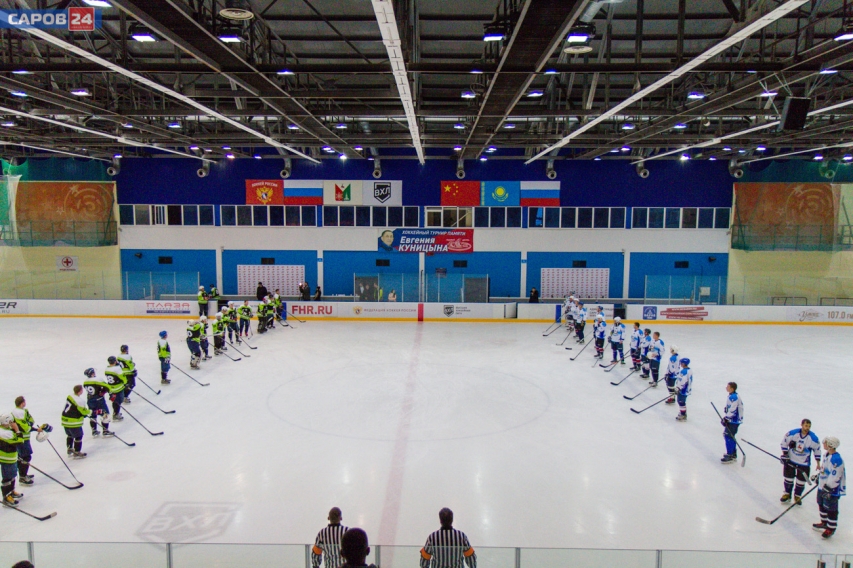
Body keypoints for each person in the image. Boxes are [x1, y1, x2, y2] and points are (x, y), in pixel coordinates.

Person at [781, 419, 821, 504]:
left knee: (801, 481)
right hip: (791, 460)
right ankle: (787, 494)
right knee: (788, 478)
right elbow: (784, 442)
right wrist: (785, 454)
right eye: (806, 426)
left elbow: (817, 450)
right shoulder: (793, 433)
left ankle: (797, 496)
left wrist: (818, 463)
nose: (807, 428)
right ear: (802, 425)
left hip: (804, 463)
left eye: (809, 426)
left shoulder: (813, 438)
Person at [814, 436, 845, 539]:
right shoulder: (826, 455)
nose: (824, 443)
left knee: (831, 508)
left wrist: (829, 487)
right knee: (821, 503)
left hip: (831, 489)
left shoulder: (836, 459)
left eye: (826, 442)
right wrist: (819, 477)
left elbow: (836, 475)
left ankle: (831, 528)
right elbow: (825, 470)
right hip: (822, 486)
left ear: (831, 445)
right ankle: (824, 522)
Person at [12, 396, 45, 486]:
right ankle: (23, 477)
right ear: (22, 403)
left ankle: (23, 474)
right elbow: (25, 427)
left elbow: (31, 421)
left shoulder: (20, 411)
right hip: (22, 438)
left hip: (22, 438)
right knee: (26, 457)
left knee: (21, 456)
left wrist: (29, 424)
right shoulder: (20, 413)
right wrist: (36, 429)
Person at [0, 413, 24, 507]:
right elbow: (20, 441)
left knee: (12, 475)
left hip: (10, 457)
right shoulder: (6, 433)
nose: (13, 423)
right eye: (11, 422)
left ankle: (11, 492)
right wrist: (17, 430)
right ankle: (6, 497)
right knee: (8, 478)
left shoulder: (5, 429)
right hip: (7, 458)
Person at [61, 384, 90, 459]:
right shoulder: (80, 401)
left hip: (64, 419)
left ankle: (70, 448)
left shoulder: (70, 396)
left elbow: (73, 408)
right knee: (79, 436)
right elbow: (84, 412)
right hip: (73, 421)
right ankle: (77, 452)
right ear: (80, 391)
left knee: (70, 435)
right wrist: (91, 412)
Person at [83, 368, 114, 437]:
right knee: (105, 414)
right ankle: (105, 430)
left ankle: (94, 430)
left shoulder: (85, 382)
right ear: (92, 373)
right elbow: (107, 386)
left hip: (90, 400)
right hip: (99, 400)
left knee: (93, 414)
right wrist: (110, 394)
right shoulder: (98, 379)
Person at [721, 382, 744, 464]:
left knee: (728, 436)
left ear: (732, 388)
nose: (726, 388)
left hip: (734, 420)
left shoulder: (733, 397)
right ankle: (732, 453)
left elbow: (733, 409)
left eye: (728, 387)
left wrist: (727, 418)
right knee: (730, 435)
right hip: (733, 420)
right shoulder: (732, 396)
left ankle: (730, 454)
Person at [104, 356, 127, 421]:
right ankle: (116, 413)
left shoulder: (107, 369)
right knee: (119, 400)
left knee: (115, 401)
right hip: (118, 387)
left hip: (111, 388)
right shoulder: (117, 368)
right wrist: (125, 383)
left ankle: (116, 412)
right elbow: (123, 377)